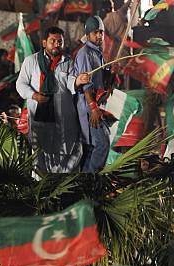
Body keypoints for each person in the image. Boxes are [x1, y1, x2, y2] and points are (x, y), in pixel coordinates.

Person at [16, 27, 90, 173]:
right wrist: (34, 95)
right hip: (39, 115)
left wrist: (78, 81)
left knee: (63, 151)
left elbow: (70, 82)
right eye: (53, 41)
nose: (57, 44)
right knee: (39, 153)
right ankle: (41, 188)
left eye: (60, 41)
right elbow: (20, 84)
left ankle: (59, 186)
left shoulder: (68, 62)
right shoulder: (31, 61)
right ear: (44, 43)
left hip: (62, 117)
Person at [74, 16, 111, 173]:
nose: (99, 36)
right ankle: (93, 180)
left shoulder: (98, 53)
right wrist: (93, 107)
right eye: (96, 32)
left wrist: (110, 76)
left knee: (90, 148)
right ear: (88, 34)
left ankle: (85, 184)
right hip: (89, 106)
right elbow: (85, 84)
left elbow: (100, 80)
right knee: (102, 143)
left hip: (96, 105)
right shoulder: (85, 54)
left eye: (101, 32)